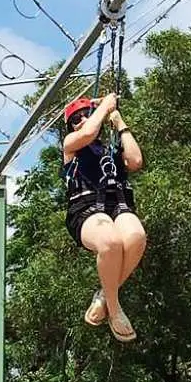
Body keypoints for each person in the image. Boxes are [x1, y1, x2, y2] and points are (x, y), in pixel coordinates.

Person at [62, 92, 146, 342]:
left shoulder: (109, 150)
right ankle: (115, 307)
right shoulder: (71, 144)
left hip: (116, 202)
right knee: (109, 242)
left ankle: (104, 296)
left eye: (85, 114)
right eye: (75, 118)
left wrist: (119, 122)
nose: (82, 120)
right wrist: (104, 107)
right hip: (86, 206)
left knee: (136, 237)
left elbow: (136, 160)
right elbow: (87, 133)